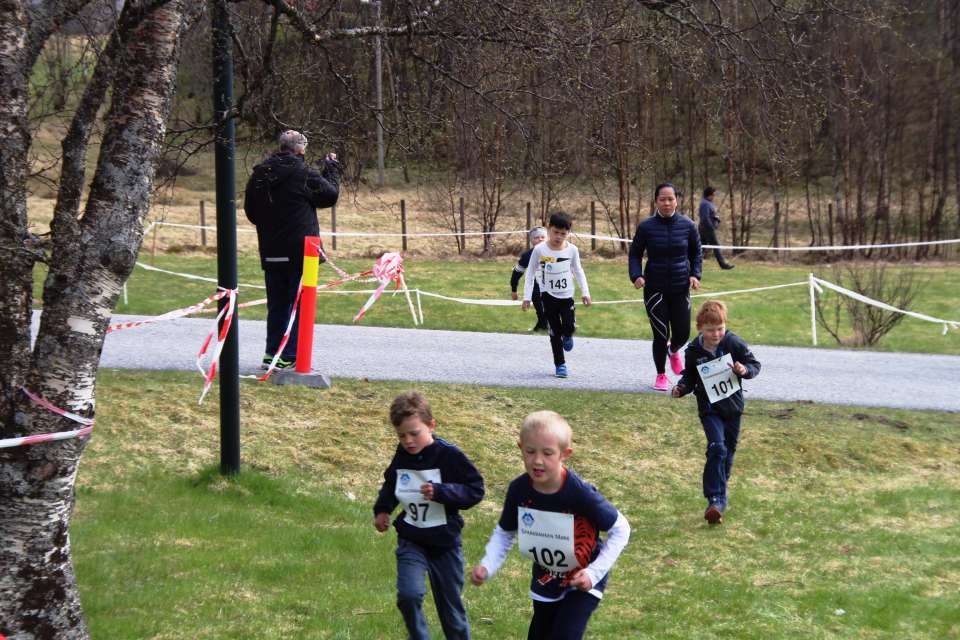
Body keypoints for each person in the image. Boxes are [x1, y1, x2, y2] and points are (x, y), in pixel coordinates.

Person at [470, 410, 630, 640]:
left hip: (583, 579)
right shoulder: (519, 490)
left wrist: (593, 573)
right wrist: (487, 565)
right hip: (546, 580)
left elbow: (621, 528)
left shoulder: (579, 492)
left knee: (565, 634)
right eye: (530, 451)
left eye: (547, 453)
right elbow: (505, 532)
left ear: (565, 454)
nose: (537, 460)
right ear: (520, 448)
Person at [373, 391, 485, 640]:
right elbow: (392, 483)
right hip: (412, 540)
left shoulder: (449, 456)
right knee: (408, 595)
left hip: (445, 544)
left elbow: (475, 489)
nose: (408, 441)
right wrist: (382, 509)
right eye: (401, 435)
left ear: (431, 425)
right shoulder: (402, 455)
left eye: (414, 433)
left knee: (452, 615)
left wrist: (442, 492)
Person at [244, 130, 340, 369]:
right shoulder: (302, 173)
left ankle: (272, 355)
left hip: (271, 250)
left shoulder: (260, 174)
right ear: (300, 149)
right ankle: (289, 356)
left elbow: (251, 212)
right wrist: (331, 169)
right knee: (300, 306)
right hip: (301, 253)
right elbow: (329, 195)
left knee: (277, 305)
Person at [671, 301, 761, 524]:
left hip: (733, 407)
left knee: (727, 454)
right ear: (700, 328)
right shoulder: (694, 351)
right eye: (710, 330)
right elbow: (690, 377)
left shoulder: (733, 343)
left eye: (720, 328)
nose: (716, 334)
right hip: (710, 409)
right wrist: (681, 388)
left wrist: (744, 370)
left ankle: (720, 495)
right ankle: (714, 499)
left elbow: (754, 364)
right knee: (717, 447)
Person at [628, 182, 703, 392]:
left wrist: (695, 275)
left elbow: (696, 253)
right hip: (655, 289)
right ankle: (661, 374)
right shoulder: (646, 227)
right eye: (663, 199)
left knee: (683, 333)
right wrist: (636, 275)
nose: (667, 203)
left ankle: (674, 350)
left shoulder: (688, 225)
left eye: (671, 199)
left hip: (680, 288)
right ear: (656, 201)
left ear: (676, 201)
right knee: (660, 334)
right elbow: (634, 254)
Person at [522, 213, 592, 379]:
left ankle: (568, 335)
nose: (559, 237)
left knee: (568, 326)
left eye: (563, 233)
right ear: (549, 229)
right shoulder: (539, 250)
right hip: (547, 297)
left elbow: (578, 271)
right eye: (555, 232)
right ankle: (560, 365)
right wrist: (526, 297)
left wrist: (585, 292)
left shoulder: (572, 250)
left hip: (567, 296)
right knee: (554, 332)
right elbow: (530, 273)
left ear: (568, 233)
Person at [510, 226, 549, 331]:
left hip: (555, 285)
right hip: (537, 286)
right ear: (531, 240)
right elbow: (517, 273)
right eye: (536, 237)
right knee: (539, 305)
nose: (540, 239)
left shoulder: (555, 251)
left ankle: (545, 325)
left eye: (543, 237)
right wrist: (514, 290)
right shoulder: (527, 255)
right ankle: (543, 324)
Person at [698, 186, 734, 270]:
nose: (714, 197)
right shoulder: (705, 204)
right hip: (707, 229)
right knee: (716, 246)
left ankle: (694, 263)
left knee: (701, 247)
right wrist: (711, 227)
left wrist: (716, 219)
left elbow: (711, 215)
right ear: (709, 195)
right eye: (713, 195)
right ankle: (723, 264)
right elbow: (705, 218)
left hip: (706, 228)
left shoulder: (708, 203)